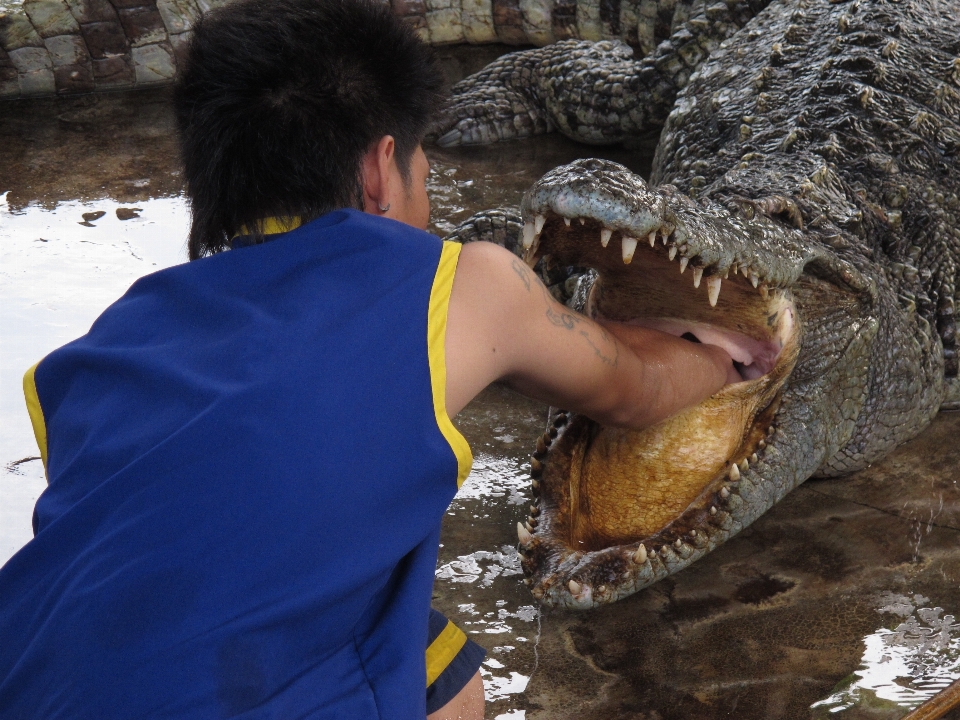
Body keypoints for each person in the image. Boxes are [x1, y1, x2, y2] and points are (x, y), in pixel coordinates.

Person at [0, 0, 737, 717]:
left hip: (23, 672)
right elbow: (636, 389)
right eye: (421, 165)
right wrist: (731, 355)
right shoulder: (468, 283)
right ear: (383, 170)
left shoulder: (109, 342)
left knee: (443, 675)